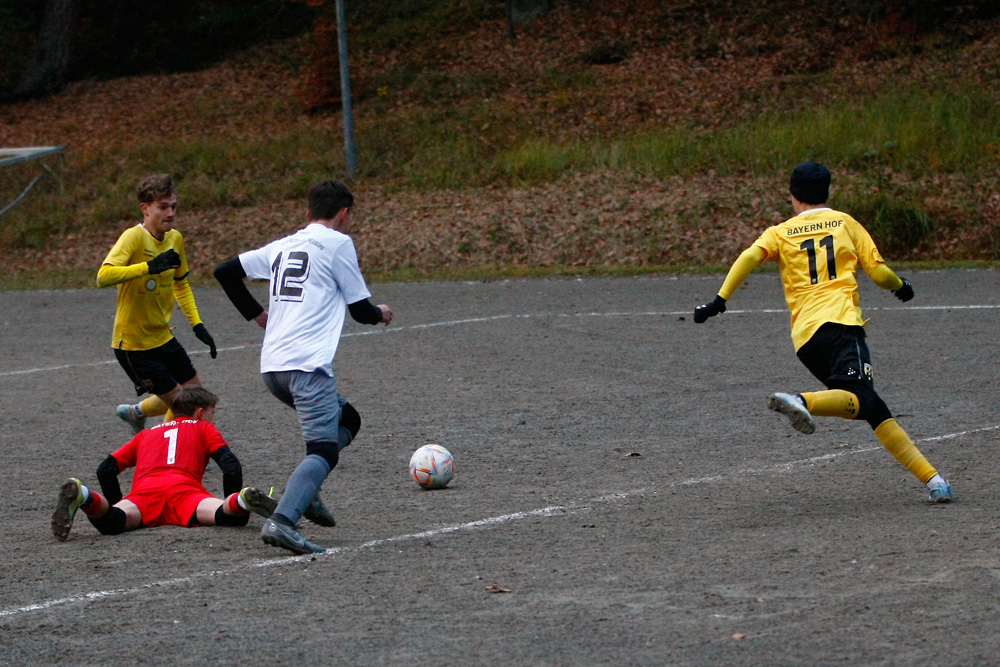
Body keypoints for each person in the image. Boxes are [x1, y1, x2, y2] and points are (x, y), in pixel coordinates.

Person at [693, 161, 952, 503]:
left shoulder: (780, 231)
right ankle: (801, 401)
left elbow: (748, 257)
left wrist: (719, 301)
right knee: (864, 400)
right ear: (827, 192)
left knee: (867, 405)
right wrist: (901, 286)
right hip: (841, 325)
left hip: (805, 339)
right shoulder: (845, 223)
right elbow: (877, 271)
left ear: (792, 195)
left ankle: (934, 481)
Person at [214, 179, 393, 555]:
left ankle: (307, 493)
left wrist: (257, 315)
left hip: (273, 368)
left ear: (308, 213)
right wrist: (381, 314)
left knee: (349, 419)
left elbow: (225, 271)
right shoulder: (339, 243)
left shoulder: (283, 245)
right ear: (344, 214)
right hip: (306, 367)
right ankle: (282, 522)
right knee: (323, 450)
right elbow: (360, 311)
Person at [51, 386, 278, 541]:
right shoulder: (204, 428)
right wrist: (231, 498)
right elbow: (231, 465)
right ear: (200, 413)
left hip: (145, 494)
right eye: (212, 413)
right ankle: (242, 499)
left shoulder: (146, 434)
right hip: (186, 494)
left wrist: (118, 504)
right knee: (224, 514)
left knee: (112, 523)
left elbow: (106, 469)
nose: (214, 419)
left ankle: (83, 495)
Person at [97, 173, 217, 435]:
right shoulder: (133, 238)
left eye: (173, 205)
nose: (171, 212)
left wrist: (197, 324)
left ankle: (136, 413)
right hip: (134, 344)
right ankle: (167, 454)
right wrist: (147, 267)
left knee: (199, 397)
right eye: (163, 207)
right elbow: (103, 276)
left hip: (162, 337)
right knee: (184, 405)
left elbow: (181, 283)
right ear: (146, 208)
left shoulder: (175, 239)